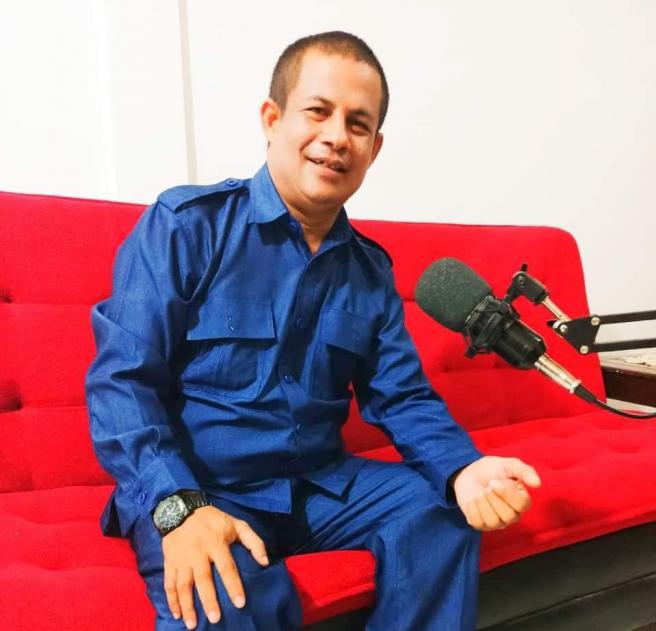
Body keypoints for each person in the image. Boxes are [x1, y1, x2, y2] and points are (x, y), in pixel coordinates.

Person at [85, 31, 542, 631]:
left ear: (374, 148)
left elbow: (401, 397)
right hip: (203, 487)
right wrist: (178, 508)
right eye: (318, 112)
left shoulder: (369, 271)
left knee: (445, 510)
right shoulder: (186, 227)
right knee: (227, 595)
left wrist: (463, 469)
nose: (336, 137)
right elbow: (122, 382)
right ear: (273, 119)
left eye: (358, 124)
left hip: (320, 487)